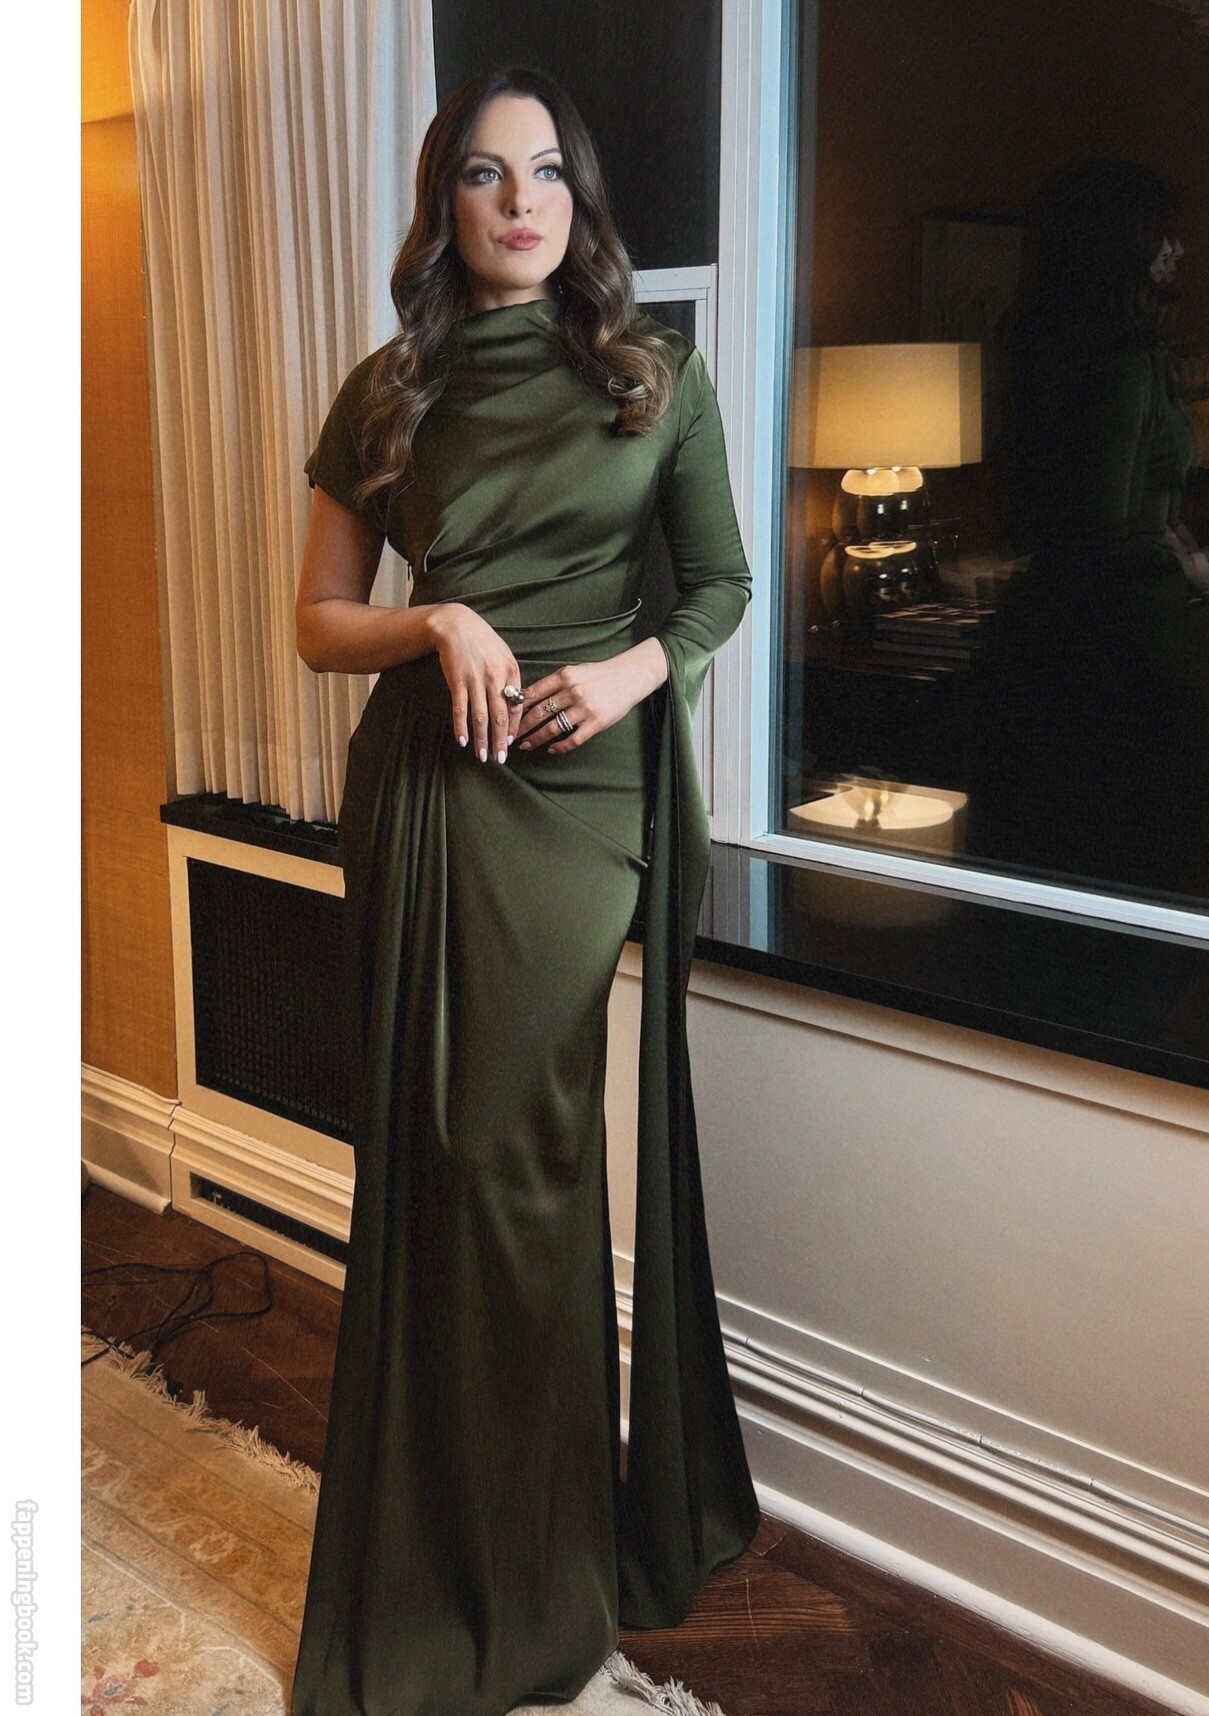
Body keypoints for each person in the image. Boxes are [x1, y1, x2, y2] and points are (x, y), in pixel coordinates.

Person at [288, 67, 759, 1716]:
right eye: (485, 176)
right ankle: (447, 1561)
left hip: (580, 810)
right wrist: (437, 620)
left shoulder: (653, 376)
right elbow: (317, 622)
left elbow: (721, 586)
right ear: (445, 203)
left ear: (581, 196)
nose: (520, 202)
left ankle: (541, 1566)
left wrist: (629, 673)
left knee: (524, 1170)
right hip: (431, 795)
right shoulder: (388, 391)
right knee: (443, 1168)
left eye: (547, 171)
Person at [967, 159, 1208, 892]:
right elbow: (1101, 531)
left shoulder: (1057, 350)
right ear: (1124, 244)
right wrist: (1191, 565)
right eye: (1163, 235)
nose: (1178, 250)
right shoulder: (1122, 364)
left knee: (1065, 876)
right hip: (1113, 653)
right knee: (1128, 870)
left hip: (1065, 638)